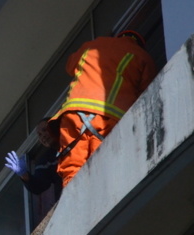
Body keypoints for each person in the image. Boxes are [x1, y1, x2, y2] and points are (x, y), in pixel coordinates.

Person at [52, 30, 157, 186]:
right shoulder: (143, 57)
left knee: (72, 162)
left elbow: (70, 66)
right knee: (101, 162)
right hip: (108, 115)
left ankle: (71, 192)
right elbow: (146, 94)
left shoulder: (92, 45)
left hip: (75, 111)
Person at [5, 118, 62, 199]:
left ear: (55, 126)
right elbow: (38, 186)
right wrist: (23, 174)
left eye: (45, 130)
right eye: (39, 135)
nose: (43, 136)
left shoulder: (76, 141)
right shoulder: (46, 160)